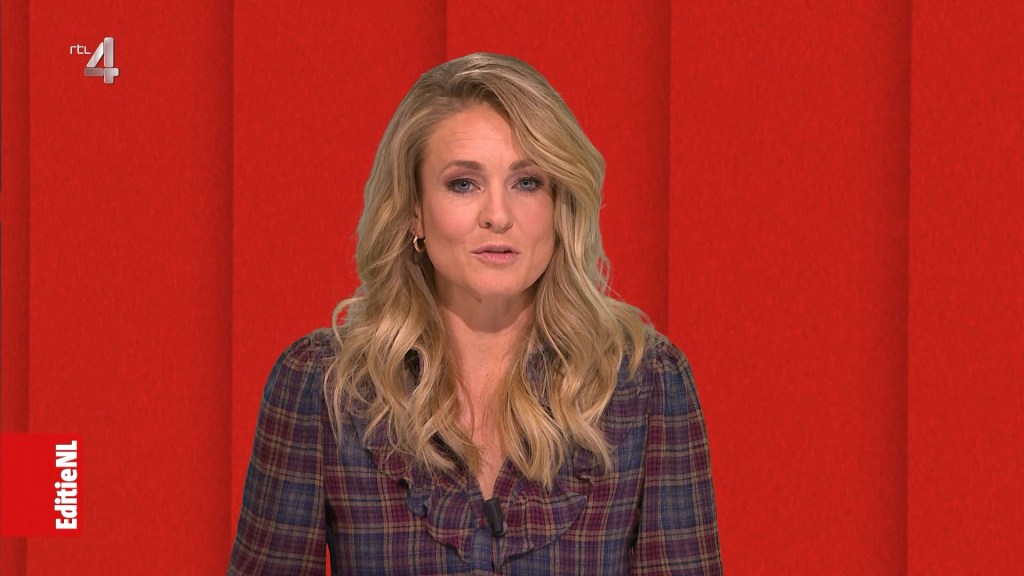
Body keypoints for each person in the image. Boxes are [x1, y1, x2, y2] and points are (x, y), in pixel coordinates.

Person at [227, 52, 722, 575]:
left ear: (559, 207)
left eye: (527, 182)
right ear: (415, 211)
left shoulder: (646, 385)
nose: (498, 215)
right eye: (464, 183)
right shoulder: (322, 386)